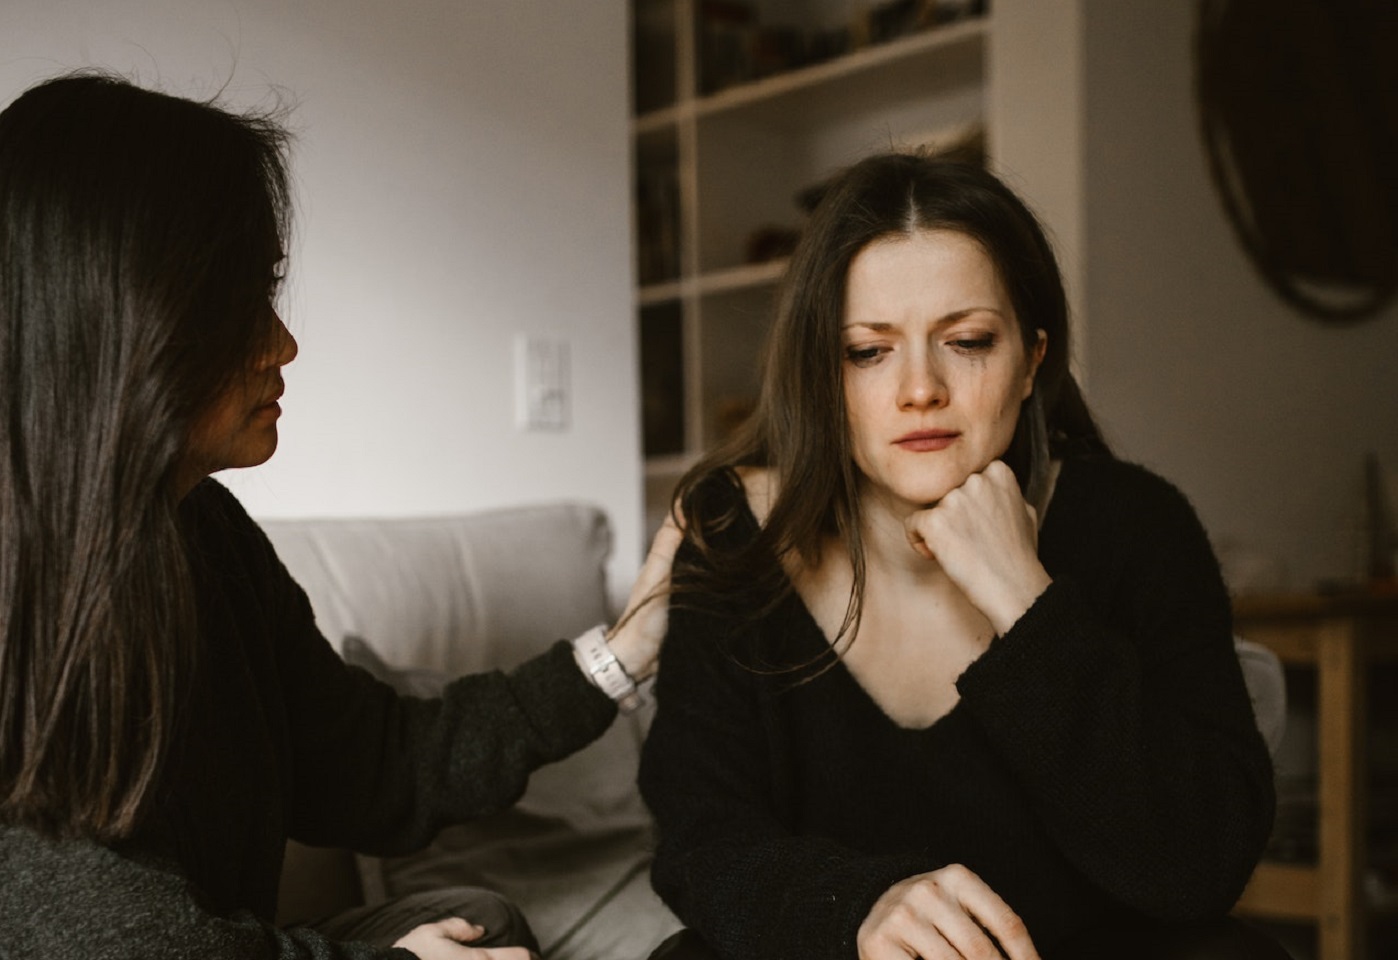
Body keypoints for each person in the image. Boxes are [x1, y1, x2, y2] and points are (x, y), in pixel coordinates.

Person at [0, 72, 679, 960]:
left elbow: (375, 769)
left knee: (484, 922)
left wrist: (623, 651)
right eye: (240, 301)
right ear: (122, 316)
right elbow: (102, 940)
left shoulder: (208, 537)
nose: (282, 344)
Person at [637, 152, 1281, 960]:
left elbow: (1202, 866)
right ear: (820, 375)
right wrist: (857, 907)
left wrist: (1028, 604)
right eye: (867, 352)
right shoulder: (736, 536)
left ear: (1031, 362)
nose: (920, 389)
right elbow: (700, 843)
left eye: (968, 341)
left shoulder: (1134, 525)